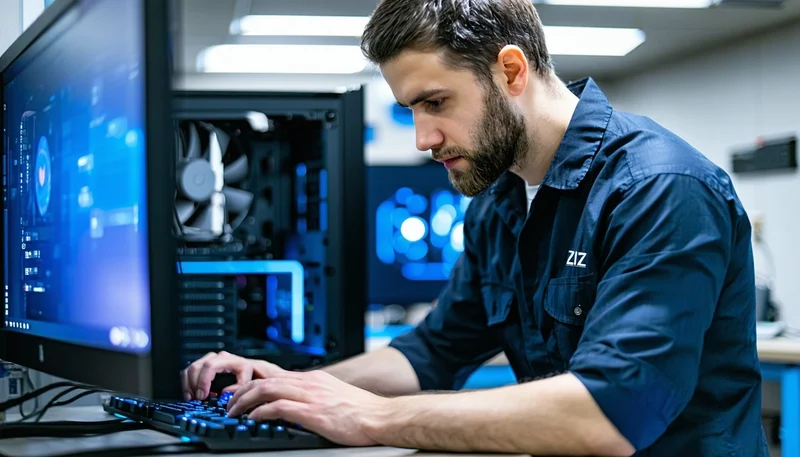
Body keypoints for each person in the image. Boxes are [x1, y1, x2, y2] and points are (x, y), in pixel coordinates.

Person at [182, 0, 769, 455]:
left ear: (510, 70)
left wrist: (371, 416)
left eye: (436, 102)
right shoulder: (500, 201)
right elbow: (431, 353)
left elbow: (610, 413)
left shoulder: (659, 188)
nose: (423, 139)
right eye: (412, 110)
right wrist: (293, 387)